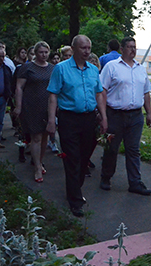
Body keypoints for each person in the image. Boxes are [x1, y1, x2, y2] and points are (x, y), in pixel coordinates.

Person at [46, 35, 107, 217]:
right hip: (69, 119)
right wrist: (51, 120)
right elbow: (53, 96)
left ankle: (74, 188)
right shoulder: (61, 69)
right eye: (83, 48)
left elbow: (99, 94)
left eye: (89, 48)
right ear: (73, 49)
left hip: (89, 119)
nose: (87, 51)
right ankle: (75, 200)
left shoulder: (93, 70)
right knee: (72, 159)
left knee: (84, 158)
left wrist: (103, 117)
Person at [99, 37, 151, 195]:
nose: (132, 50)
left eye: (134, 47)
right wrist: (103, 116)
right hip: (115, 114)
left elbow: (146, 92)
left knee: (133, 150)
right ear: (121, 49)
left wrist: (149, 113)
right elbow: (102, 91)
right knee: (112, 148)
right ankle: (106, 177)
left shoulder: (140, 69)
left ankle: (135, 183)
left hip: (135, 116)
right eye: (129, 47)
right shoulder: (111, 67)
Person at [14, 41, 55, 183]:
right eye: (41, 52)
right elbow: (19, 87)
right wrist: (18, 106)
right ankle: (37, 167)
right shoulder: (27, 68)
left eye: (46, 52)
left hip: (48, 106)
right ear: (36, 53)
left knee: (45, 137)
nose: (44, 55)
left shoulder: (52, 68)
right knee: (36, 137)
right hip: (31, 105)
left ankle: (39, 160)